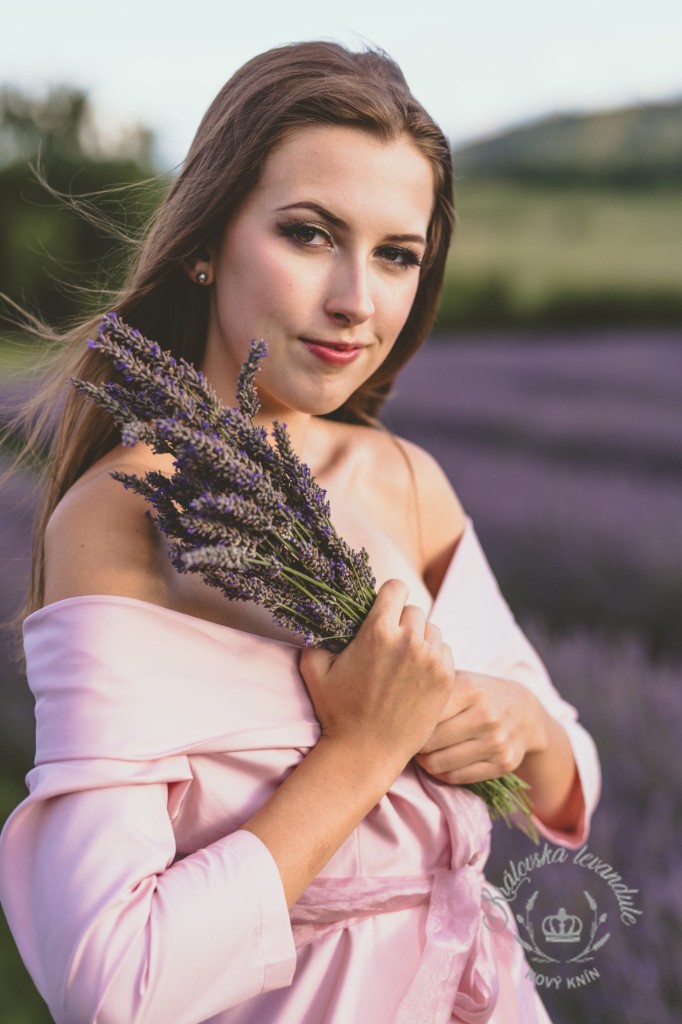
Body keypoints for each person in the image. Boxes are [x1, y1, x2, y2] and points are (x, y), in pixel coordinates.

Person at [0, 41, 600, 1024]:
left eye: (397, 254)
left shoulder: (404, 480)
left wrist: (518, 723)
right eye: (311, 234)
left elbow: (565, 768)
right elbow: (111, 985)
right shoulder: (127, 516)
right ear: (206, 237)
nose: (357, 301)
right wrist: (364, 749)